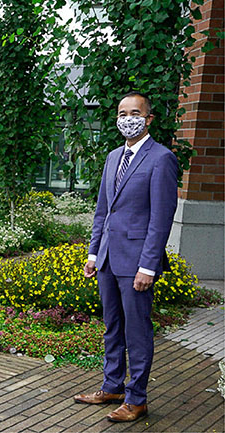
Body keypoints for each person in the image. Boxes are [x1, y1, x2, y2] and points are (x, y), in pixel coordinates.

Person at [74, 92, 178, 422]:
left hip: (136, 263)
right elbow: (103, 211)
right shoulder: (112, 157)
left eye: (135, 113)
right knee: (112, 327)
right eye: (122, 113)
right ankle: (113, 387)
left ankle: (137, 399)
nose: (127, 118)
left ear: (148, 119)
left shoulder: (161, 159)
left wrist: (148, 265)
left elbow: (161, 218)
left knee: (137, 333)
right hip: (107, 258)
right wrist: (93, 253)